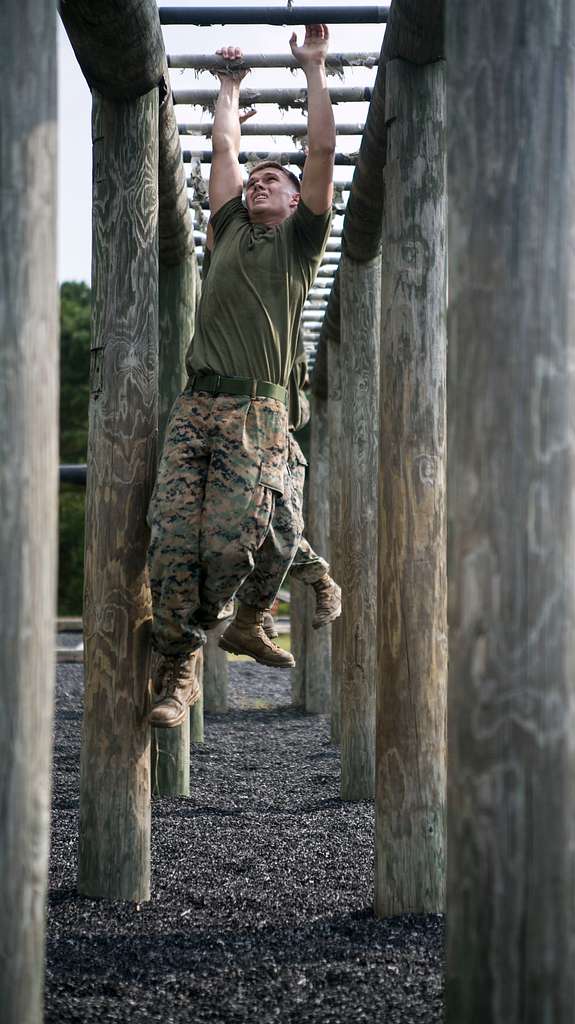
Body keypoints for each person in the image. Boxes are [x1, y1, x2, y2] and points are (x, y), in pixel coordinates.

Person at [147, 25, 335, 727]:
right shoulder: (226, 228)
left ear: (294, 202)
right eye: (256, 179)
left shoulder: (300, 242)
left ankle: (223, 623)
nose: (260, 182)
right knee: (168, 538)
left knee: (232, 540)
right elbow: (224, 147)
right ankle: (178, 668)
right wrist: (228, 88)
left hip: (257, 412)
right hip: (197, 405)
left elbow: (320, 151)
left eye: (273, 181)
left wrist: (313, 69)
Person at [228, 345, 342, 663]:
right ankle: (270, 606)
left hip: (280, 440)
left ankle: (320, 585)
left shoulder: (285, 344)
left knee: (283, 526)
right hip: (251, 434)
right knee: (266, 525)